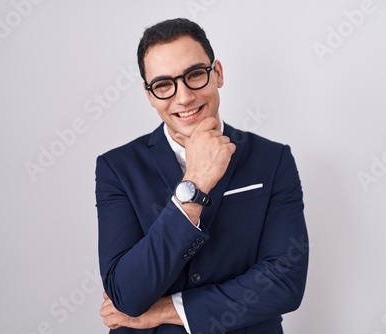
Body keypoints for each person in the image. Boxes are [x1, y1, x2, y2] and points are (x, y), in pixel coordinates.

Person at [95, 18, 308, 334]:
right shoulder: (117, 167)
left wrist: (171, 310)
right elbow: (126, 294)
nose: (183, 98)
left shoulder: (273, 159)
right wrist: (194, 183)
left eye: (194, 75)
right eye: (164, 84)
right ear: (149, 94)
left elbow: (285, 281)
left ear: (217, 74)